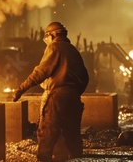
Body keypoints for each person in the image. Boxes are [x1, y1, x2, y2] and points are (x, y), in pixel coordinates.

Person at [12, 21, 89, 161]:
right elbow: (85, 77)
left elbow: (40, 72)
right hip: (73, 98)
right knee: (72, 136)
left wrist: (20, 89)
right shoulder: (73, 50)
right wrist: (73, 93)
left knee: (46, 134)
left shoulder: (54, 48)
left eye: (46, 37)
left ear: (52, 35)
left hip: (57, 98)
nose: (45, 41)